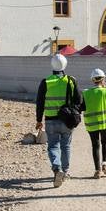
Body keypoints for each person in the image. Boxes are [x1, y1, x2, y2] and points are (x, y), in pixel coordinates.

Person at [35, 53, 83, 187]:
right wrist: (75, 114)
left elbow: (39, 103)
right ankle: (65, 171)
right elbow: (79, 100)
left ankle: (57, 169)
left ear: (52, 65)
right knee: (66, 145)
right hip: (67, 120)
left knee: (53, 146)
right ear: (65, 65)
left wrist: (39, 120)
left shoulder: (46, 82)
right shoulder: (71, 81)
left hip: (51, 120)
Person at [82, 67, 106, 178]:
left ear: (93, 80)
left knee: (95, 145)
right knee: (105, 142)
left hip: (92, 124)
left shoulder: (86, 93)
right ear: (103, 79)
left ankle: (97, 170)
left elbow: (82, 107)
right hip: (105, 123)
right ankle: (105, 163)